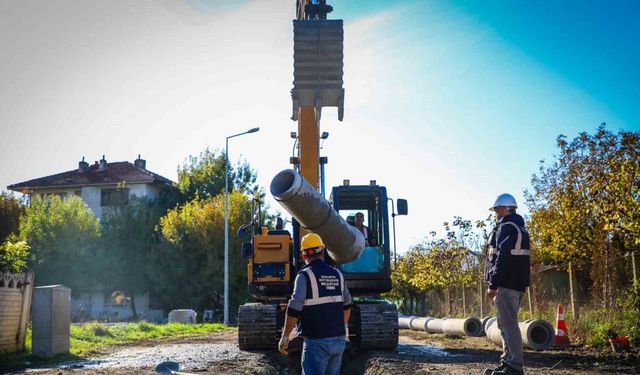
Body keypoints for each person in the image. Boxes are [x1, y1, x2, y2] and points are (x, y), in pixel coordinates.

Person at [278, 233, 352, 375]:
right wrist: (338, 328)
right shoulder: (338, 274)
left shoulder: (304, 276)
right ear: (323, 251)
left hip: (317, 342)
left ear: (303, 255)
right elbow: (347, 305)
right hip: (338, 340)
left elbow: (294, 308)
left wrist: (285, 336)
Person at [483, 193, 531, 375]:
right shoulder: (518, 227)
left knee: (509, 325)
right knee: (505, 324)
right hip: (515, 283)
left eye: (496, 209)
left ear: (504, 208)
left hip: (506, 284)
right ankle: (507, 362)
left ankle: (514, 367)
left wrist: (493, 284)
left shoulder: (507, 227)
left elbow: (502, 258)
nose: (495, 212)